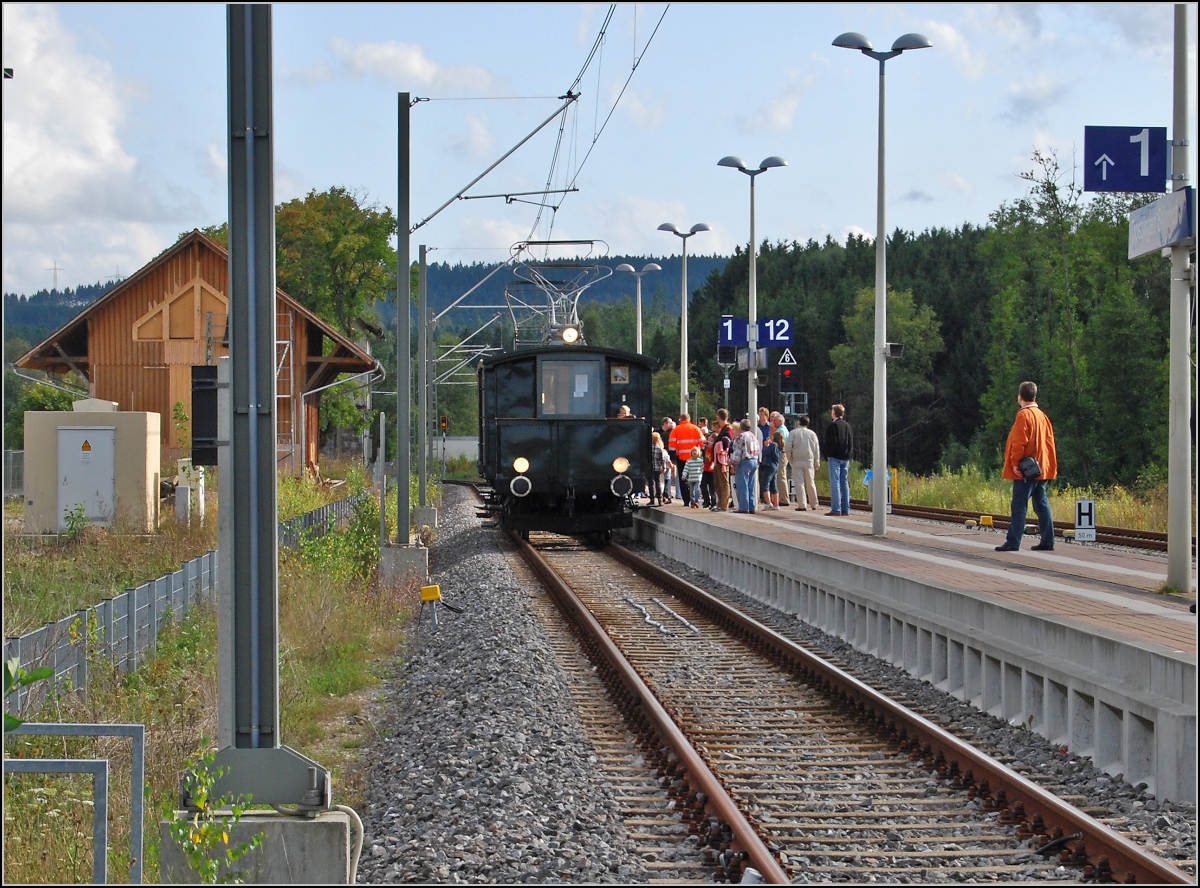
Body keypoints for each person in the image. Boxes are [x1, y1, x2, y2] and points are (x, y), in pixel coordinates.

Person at [996, 381, 1058, 552]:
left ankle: (1013, 541)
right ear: (1034, 396)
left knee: (1019, 505)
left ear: (1020, 397)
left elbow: (1018, 442)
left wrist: (1015, 463)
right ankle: (1048, 540)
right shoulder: (1042, 415)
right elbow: (1049, 443)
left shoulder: (1024, 415)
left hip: (1026, 470)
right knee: (1041, 505)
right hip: (1041, 468)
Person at [667, 413, 705, 507]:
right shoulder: (696, 429)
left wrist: (673, 459)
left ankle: (686, 500)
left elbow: (672, 447)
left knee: (683, 479)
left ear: (680, 420)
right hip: (695, 458)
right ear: (689, 419)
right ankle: (695, 500)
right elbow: (703, 443)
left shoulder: (676, 430)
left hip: (682, 458)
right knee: (696, 479)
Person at [786, 415, 821, 511]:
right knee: (811, 482)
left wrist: (790, 460)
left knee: (799, 483)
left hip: (797, 460)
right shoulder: (812, 434)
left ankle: (802, 505)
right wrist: (816, 461)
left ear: (798, 422)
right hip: (809, 460)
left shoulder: (793, 433)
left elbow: (788, 448)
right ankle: (814, 504)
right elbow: (816, 449)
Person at [824, 404, 852, 516]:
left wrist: (828, 454)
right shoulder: (847, 425)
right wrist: (848, 454)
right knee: (844, 482)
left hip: (835, 457)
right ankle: (846, 509)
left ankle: (836, 508)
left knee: (835, 482)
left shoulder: (833, 426)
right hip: (845, 457)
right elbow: (850, 442)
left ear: (834, 413)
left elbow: (831, 442)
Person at [729, 418, 761, 513]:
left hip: (745, 461)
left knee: (742, 485)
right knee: (751, 484)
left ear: (741, 427)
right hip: (754, 460)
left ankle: (743, 507)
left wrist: (733, 464)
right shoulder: (753, 435)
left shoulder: (741, 437)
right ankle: (752, 506)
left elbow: (738, 453)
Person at [712, 408, 734, 512]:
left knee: (723, 482)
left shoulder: (727, 429)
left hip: (723, 460)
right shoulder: (723, 429)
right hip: (718, 459)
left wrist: (718, 445)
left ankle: (723, 504)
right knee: (718, 482)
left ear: (718, 417)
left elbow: (728, 443)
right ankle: (720, 502)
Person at [770, 411, 791, 506]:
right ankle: (782, 497)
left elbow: (776, 444)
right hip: (784, 454)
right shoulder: (785, 429)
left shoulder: (780, 431)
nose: (773, 422)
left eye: (775, 421)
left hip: (781, 454)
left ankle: (784, 499)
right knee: (781, 475)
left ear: (780, 421)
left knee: (781, 476)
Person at [759, 430, 784, 510]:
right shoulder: (779, 446)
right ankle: (776, 504)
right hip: (775, 466)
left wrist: (766, 445)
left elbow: (764, 452)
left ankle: (768, 502)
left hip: (769, 465)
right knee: (773, 484)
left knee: (765, 483)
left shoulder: (773, 445)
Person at [648, 431, 668, 505]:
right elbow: (662, 459)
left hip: (650, 468)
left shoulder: (648, 448)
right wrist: (664, 467)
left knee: (651, 483)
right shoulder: (659, 447)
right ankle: (660, 500)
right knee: (658, 483)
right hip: (658, 467)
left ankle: (652, 500)